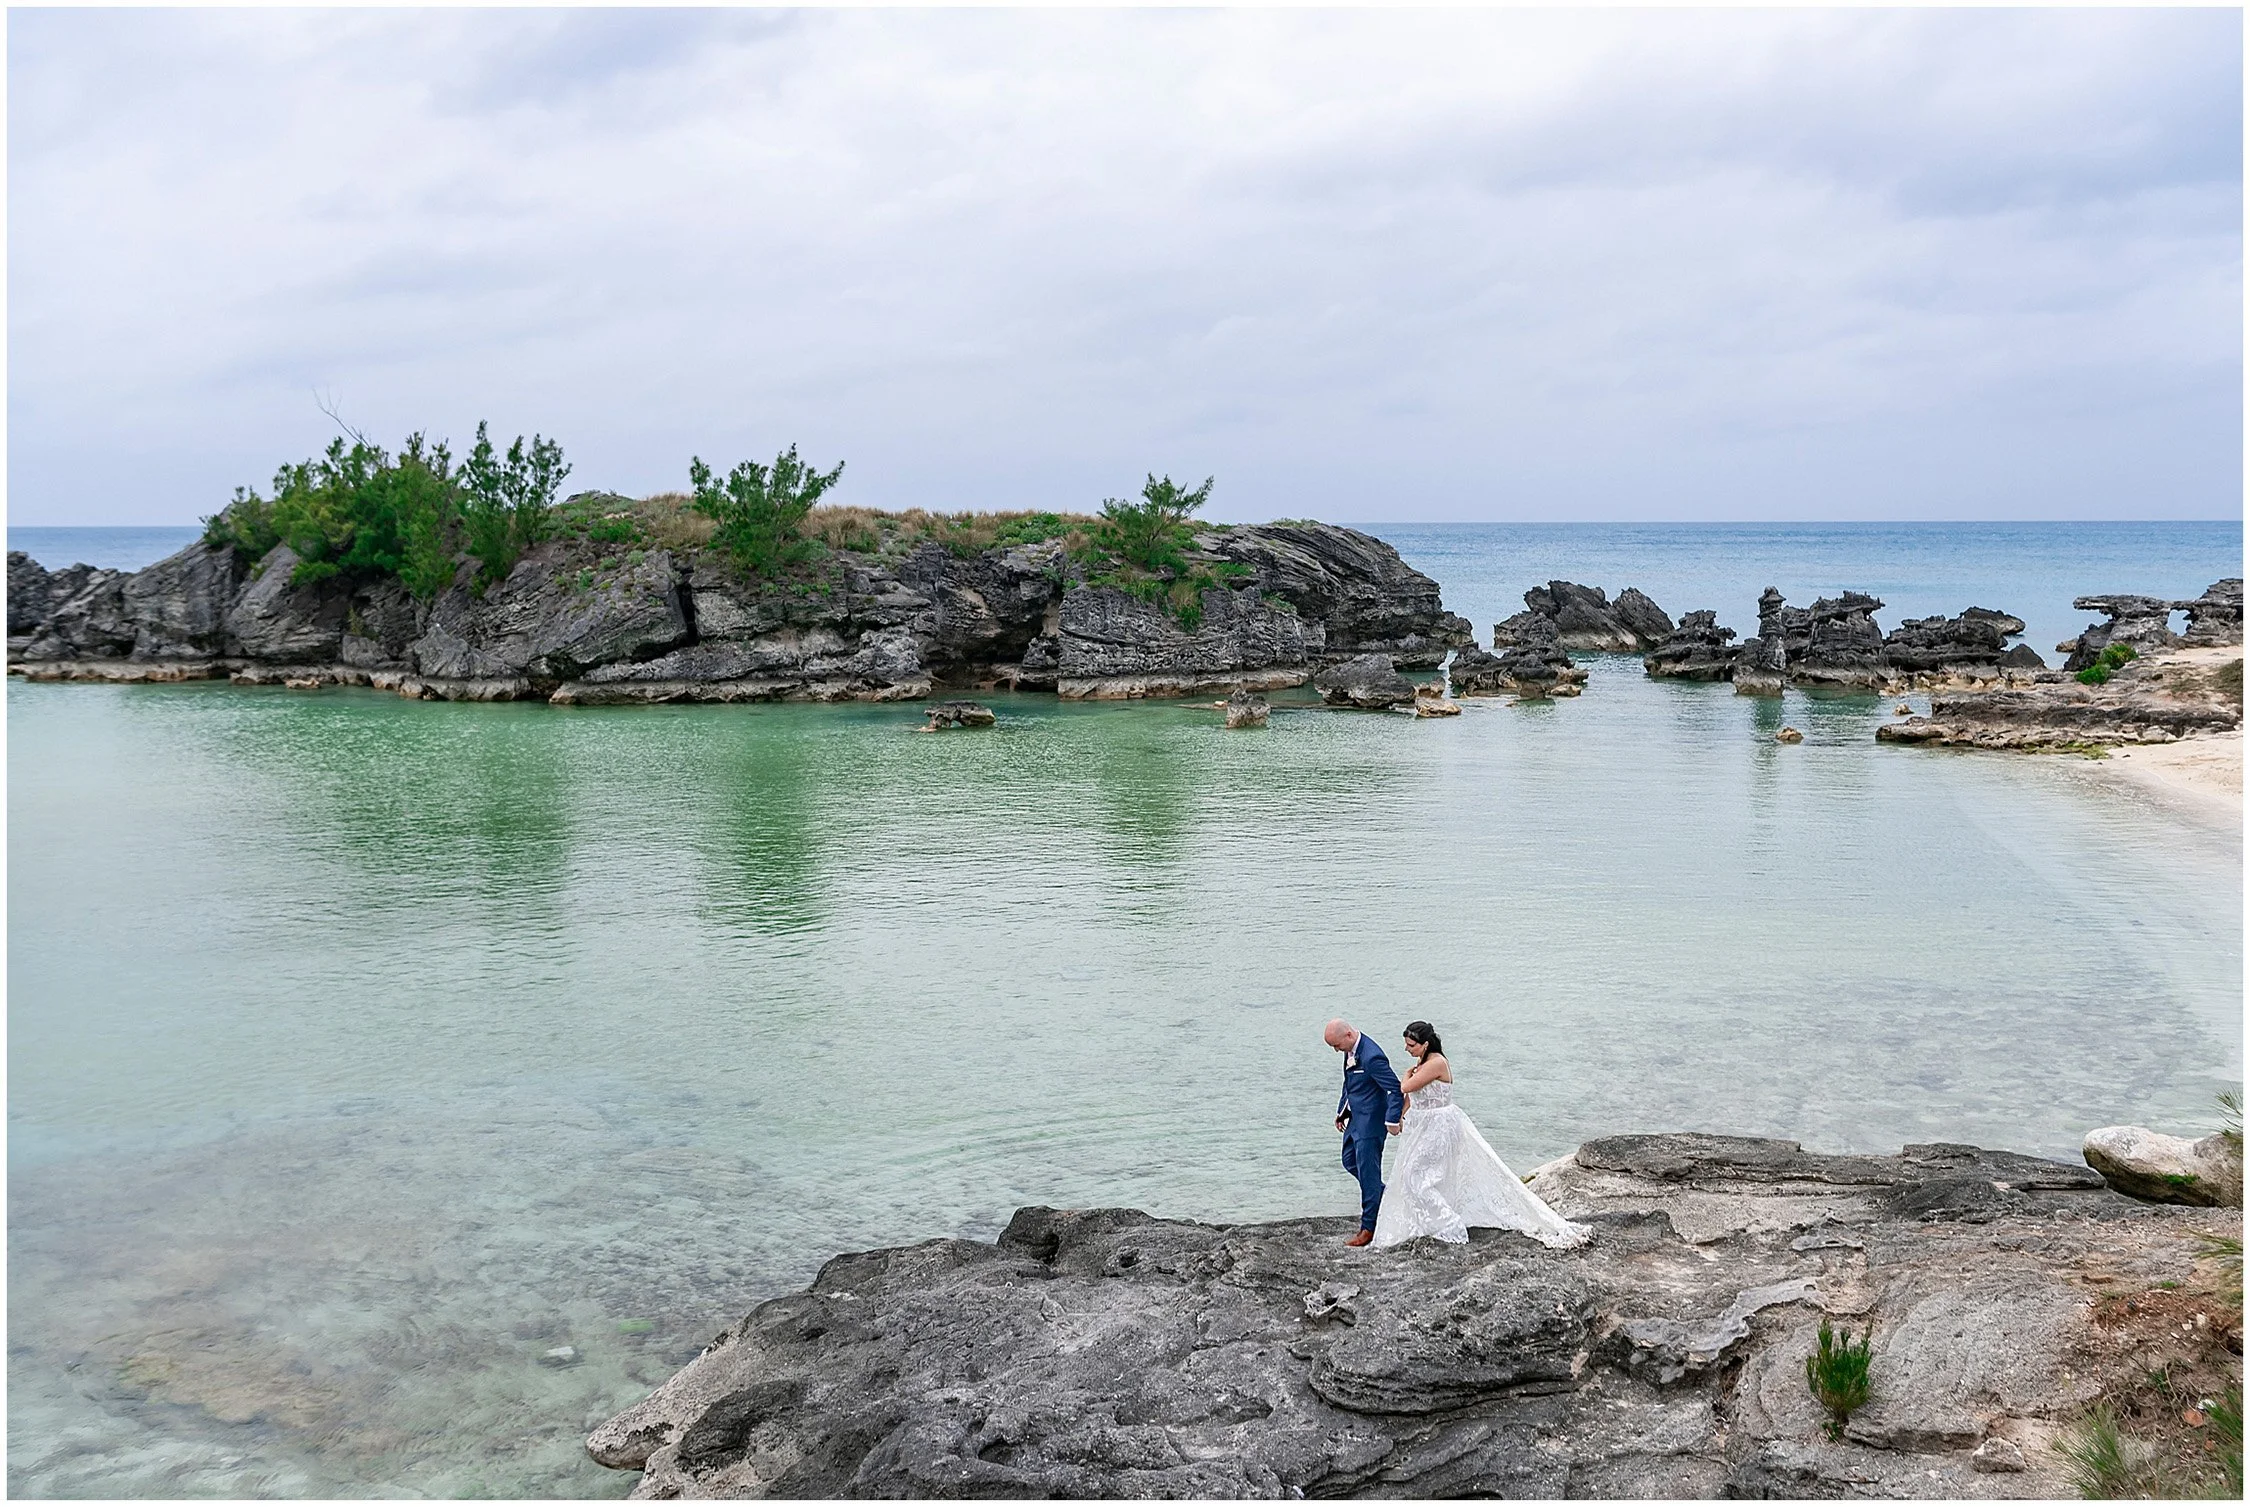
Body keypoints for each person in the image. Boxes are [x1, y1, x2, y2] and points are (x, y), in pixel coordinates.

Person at [1370, 1020, 1591, 1250]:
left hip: (1439, 1127)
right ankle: (1427, 1221)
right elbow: (1413, 1097)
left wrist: (1405, 1075)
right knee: (1424, 1176)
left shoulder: (1437, 1063)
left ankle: (1449, 1223)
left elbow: (1406, 1087)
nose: (1407, 1049)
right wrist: (1398, 1117)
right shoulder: (1422, 1061)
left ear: (1425, 1045)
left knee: (1415, 1175)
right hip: (1423, 1126)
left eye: (1411, 1045)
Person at [1324, 1018, 1404, 1247]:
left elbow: (1394, 1089)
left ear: (1348, 1035)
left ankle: (1368, 1227)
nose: (1335, 1050)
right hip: (1355, 1119)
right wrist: (1343, 1111)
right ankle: (1387, 1197)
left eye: (1336, 1045)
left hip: (1371, 1123)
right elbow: (1350, 1083)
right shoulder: (1350, 1049)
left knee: (1369, 1173)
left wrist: (1391, 1120)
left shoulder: (1372, 1056)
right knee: (1349, 1161)